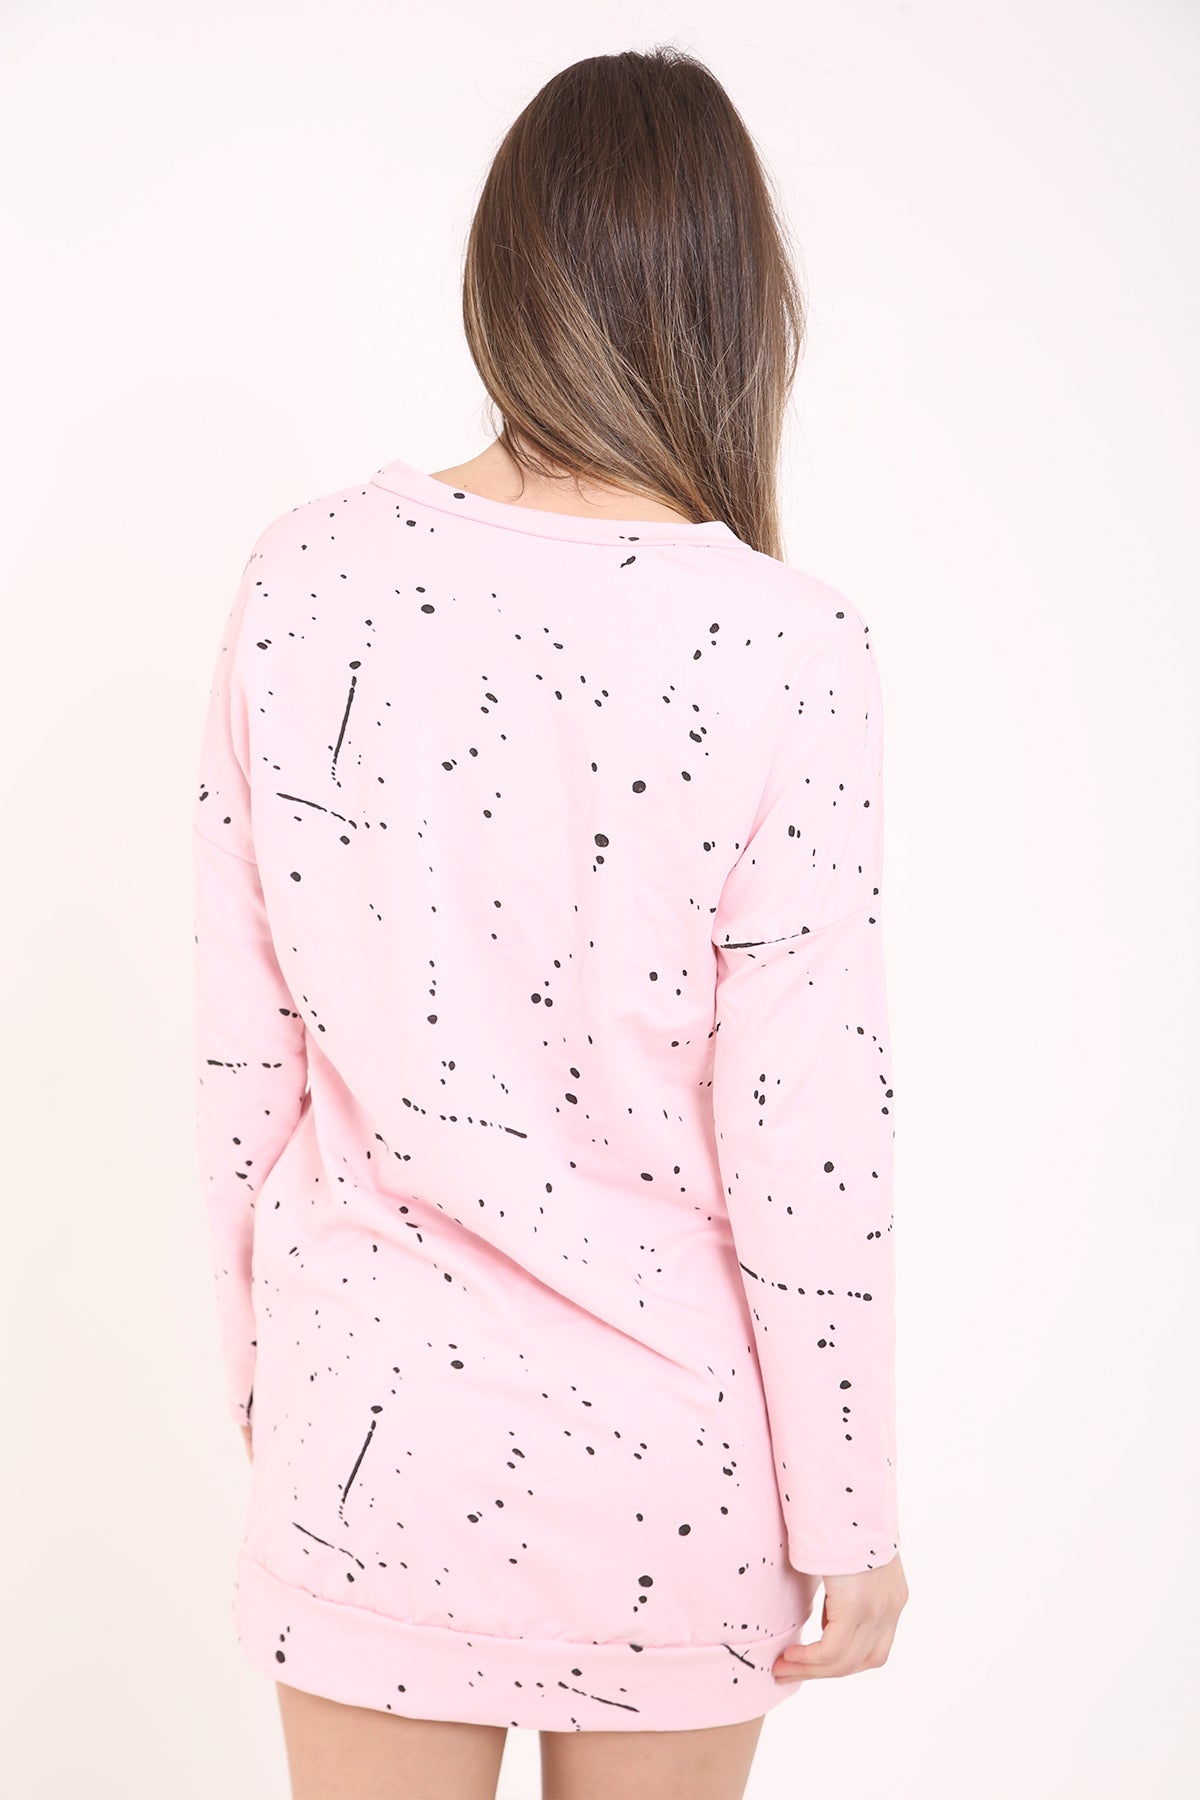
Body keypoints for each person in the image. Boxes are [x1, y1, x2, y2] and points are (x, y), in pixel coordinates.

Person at [192, 42, 908, 1800]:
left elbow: (241, 1054)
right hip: (675, 1472)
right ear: (739, 309)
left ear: (502, 277)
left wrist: (277, 1393)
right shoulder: (787, 645)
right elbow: (806, 1130)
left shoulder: (307, 575)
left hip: (373, 1440)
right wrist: (852, 1514)